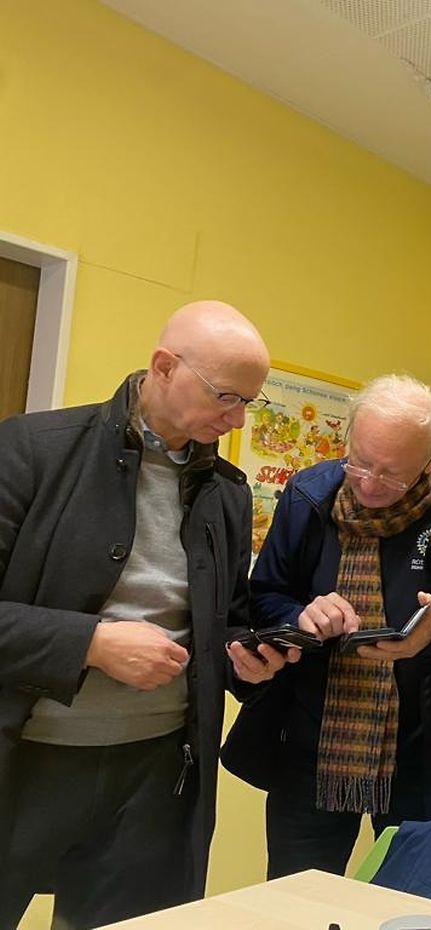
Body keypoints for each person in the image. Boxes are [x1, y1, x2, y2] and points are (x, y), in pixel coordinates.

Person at [0, 301, 292, 928]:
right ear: (164, 367)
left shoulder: (228, 491)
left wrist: (246, 657)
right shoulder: (32, 449)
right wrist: (91, 643)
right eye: (226, 396)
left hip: (159, 772)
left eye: (250, 402)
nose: (237, 418)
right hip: (25, 758)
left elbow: (226, 618)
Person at [222, 374, 431, 878]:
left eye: (392, 474)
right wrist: (299, 616)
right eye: (360, 461)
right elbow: (264, 595)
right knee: (300, 902)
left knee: (411, 898)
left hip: (424, 751)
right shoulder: (308, 495)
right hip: (311, 747)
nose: (368, 483)